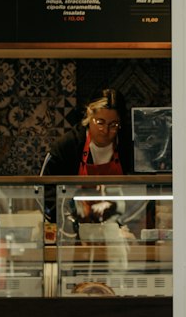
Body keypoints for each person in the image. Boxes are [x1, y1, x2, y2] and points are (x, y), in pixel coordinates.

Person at [41, 89, 135, 244]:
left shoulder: (129, 148)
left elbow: (141, 194)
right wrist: (70, 224)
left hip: (118, 234)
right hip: (74, 234)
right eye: (100, 122)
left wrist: (126, 225)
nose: (105, 131)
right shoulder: (67, 146)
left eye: (113, 125)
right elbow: (45, 192)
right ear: (89, 116)